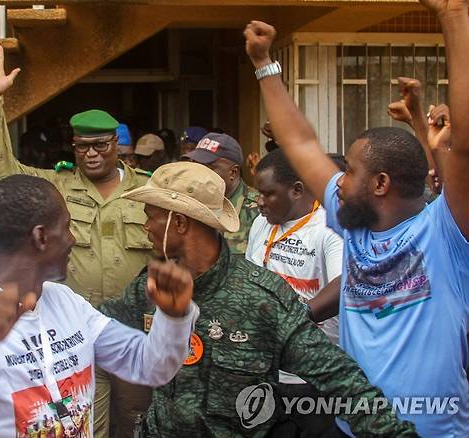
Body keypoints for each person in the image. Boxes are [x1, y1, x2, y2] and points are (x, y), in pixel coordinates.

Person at [243, 4, 469, 434]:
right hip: (354, 427)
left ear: (380, 184)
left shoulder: (445, 232)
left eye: (348, 169)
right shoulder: (354, 223)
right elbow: (302, 145)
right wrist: (263, 63)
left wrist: (454, 14)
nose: (336, 180)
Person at [99, 161, 415, 437]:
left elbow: (342, 380)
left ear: (178, 223)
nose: (145, 226)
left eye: (151, 216)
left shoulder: (262, 299)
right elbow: (96, 325)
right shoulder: (153, 286)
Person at [0, 173, 199, 437]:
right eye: (68, 226)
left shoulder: (68, 304)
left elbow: (148, 366)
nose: (73, 239)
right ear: (42, 237)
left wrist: (173, 318)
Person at [0, 43, 154, 437]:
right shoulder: (55, 187)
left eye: (100, 145)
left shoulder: (149, 191)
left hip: (134, 334)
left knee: (139, 425)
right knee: (87, 425)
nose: (90, 154)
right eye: (81, 145)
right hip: (77, 334)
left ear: (117, 145)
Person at [245, 148, 344, 436]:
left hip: (314, 375)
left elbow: (343, 285)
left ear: (297, 190)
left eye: (268, 194)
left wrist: (295, 317)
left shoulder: (327, 228)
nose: (259, 202)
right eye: (257, 193)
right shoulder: (261, 224)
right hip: (266, 369)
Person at [182, 132, 259, 255]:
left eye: (208, 168)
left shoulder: (259, 208)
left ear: (233, 172)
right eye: (196, 166)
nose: (199, 173)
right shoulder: (189, 201)